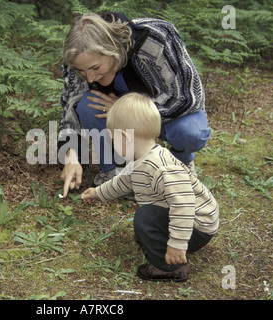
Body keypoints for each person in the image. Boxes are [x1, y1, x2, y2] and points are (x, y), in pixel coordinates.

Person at [59, 12, 211, 198]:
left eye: (95, 68)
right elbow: (70, 108)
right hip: (119, 117)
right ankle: (117, 171)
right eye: (83, 72)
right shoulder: (78, 58)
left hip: (165, 112)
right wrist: (71, 155)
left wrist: (125, 110)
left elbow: (188, 97)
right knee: (86, 105)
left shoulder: (157, 38)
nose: (90, 77)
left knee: (190, 131)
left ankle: (179, 165)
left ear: (113, 48)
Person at [81, 93, 219, 282]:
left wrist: (177, 243)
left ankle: (170, 267)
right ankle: (165, 243)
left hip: (197, 225)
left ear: (124, 137)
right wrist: (97, 193)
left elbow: (184, 205)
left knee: (145, 218)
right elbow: (122, 182)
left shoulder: (161, 166)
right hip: (186, 222)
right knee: (147, 217)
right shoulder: (141, 161)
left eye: (112, 140)